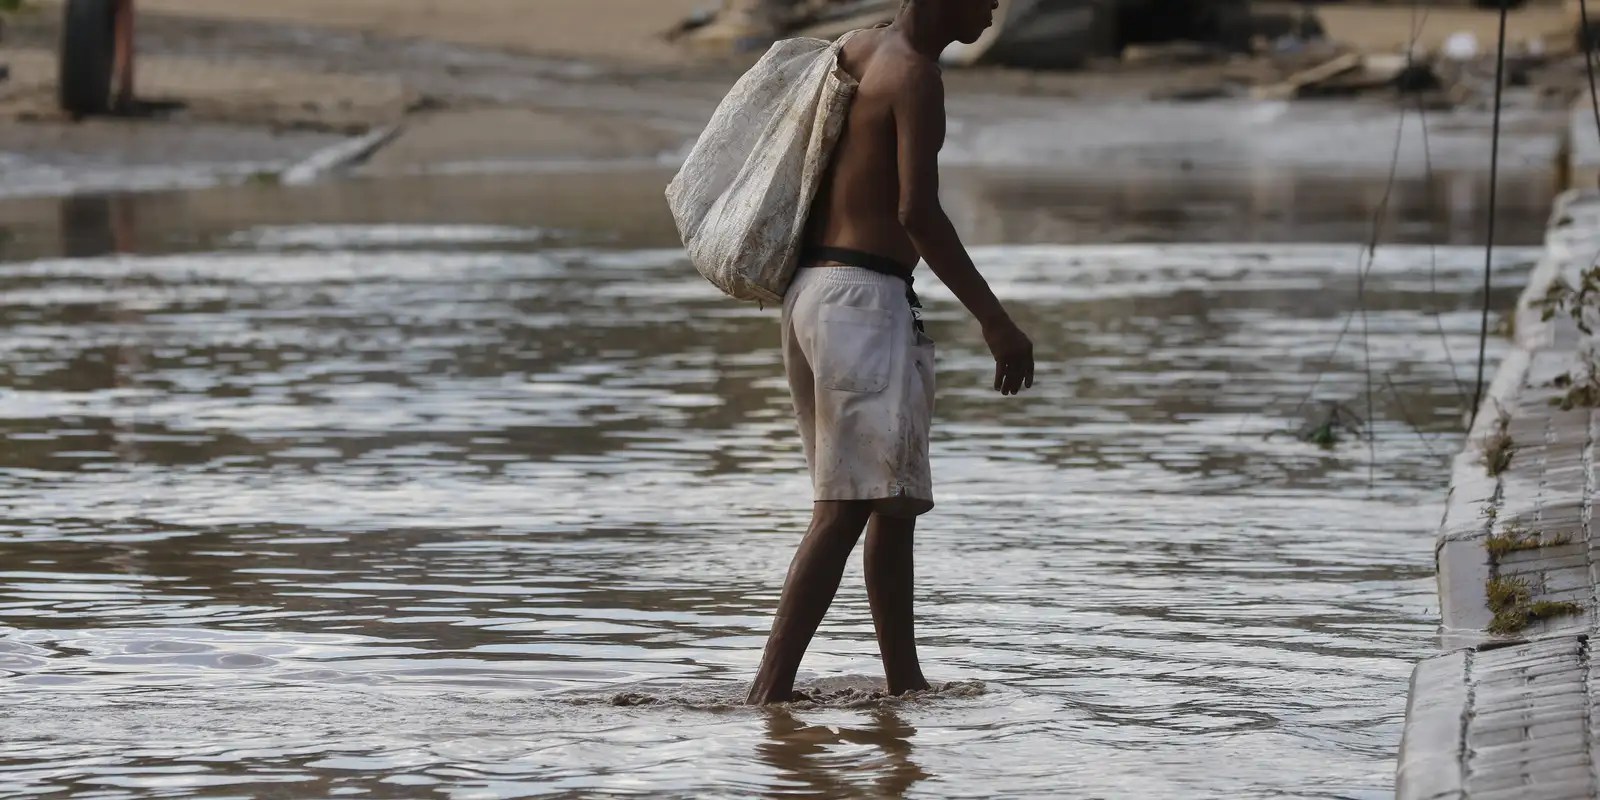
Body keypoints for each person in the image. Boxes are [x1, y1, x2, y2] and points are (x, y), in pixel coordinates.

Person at [747, 0, 1034, 706]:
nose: (996, 4)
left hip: (816, 293)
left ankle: (904, 688)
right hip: (860, 304)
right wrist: (996, 322)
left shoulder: (856, 46)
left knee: (891, 502)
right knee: (842, 509)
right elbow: (916, 212)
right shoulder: (916, 76)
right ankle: (767, 694)